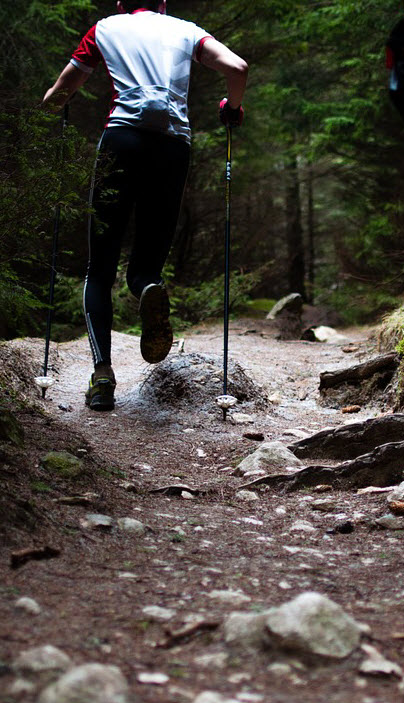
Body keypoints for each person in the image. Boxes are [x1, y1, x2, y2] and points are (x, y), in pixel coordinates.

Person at [42, 0, 248, 411]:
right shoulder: (186, 30)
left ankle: (102, 376)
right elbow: (237, 68)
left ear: (122, 3)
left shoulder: (105, 28)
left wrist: (53, 101)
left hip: (121, 141)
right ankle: (148, 288)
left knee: (99, 268)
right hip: (172, 147)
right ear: (163, 3)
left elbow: (61, 92)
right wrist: (232, 107)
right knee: (146, 267)